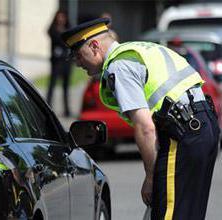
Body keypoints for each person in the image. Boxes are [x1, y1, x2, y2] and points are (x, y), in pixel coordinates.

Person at [61, 17, 220, 220]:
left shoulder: (119, 66)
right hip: (203, 127)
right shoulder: (141, 49)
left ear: (94, 46)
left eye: (77, 54)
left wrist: (151, 178)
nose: (76, 62)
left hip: (182, 135)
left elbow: (145, 127)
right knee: (188, 213)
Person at [47, 10, 72, 117]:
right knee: (52, 85)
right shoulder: (53, 30)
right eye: (59, 17)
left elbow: (70, 42)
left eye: (63, 17)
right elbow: (59, 40)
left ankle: (67, 110)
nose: (61, 19)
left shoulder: (68, 29)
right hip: (56, 62)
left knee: (66, 87)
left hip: (66, 62)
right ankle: (47, 108)